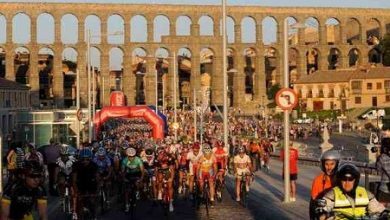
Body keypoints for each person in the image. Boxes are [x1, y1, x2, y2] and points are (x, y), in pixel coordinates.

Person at [320, 163, 386, 219]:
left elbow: (376, 208)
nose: (347, 182)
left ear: (355, 180)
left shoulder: (365, 193)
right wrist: (323, 214)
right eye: (344, 179)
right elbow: (324, 206)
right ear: (340, 180)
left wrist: (384, 213)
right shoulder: (333, 194)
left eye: (350, 179)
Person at [310, 150, 340, 220]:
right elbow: (314, 201)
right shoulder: (318, 180)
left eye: (332, 164)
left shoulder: (341, 179)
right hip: (324, 212)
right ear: (323, 165)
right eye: (327, 164)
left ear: (337, 164)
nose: (329, 167)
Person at [72, 148, 99, 220]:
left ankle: (94, 216)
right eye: (83, 159)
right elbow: (74, 180)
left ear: (90, 159)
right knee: (79, 204)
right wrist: (76, 191)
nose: (85, 161)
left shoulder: (94, 165)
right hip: (80, 185)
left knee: (92, 202)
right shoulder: (76, 165)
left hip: (91, 185)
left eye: (87, 159)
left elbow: (97, 179)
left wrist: (97, 191)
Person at [121, 147, 145, 212]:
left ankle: (137, 191)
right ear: (127, 156)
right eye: (130, 156)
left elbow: (142, 171)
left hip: (137, 173)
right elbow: (122, 171)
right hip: (128, 174)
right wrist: (124, 178)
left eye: (133, 156)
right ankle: (127, 205)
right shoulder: (124, 160)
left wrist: (141, 179)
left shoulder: (138, 160)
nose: (131, 158)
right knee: (126, 191)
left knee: (138, 183)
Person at [376, 137, 390, 206]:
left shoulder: (382, 157)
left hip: (384, 190)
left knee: (381, 213)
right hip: (385, 190)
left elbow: (378, 171)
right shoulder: (384, 157)